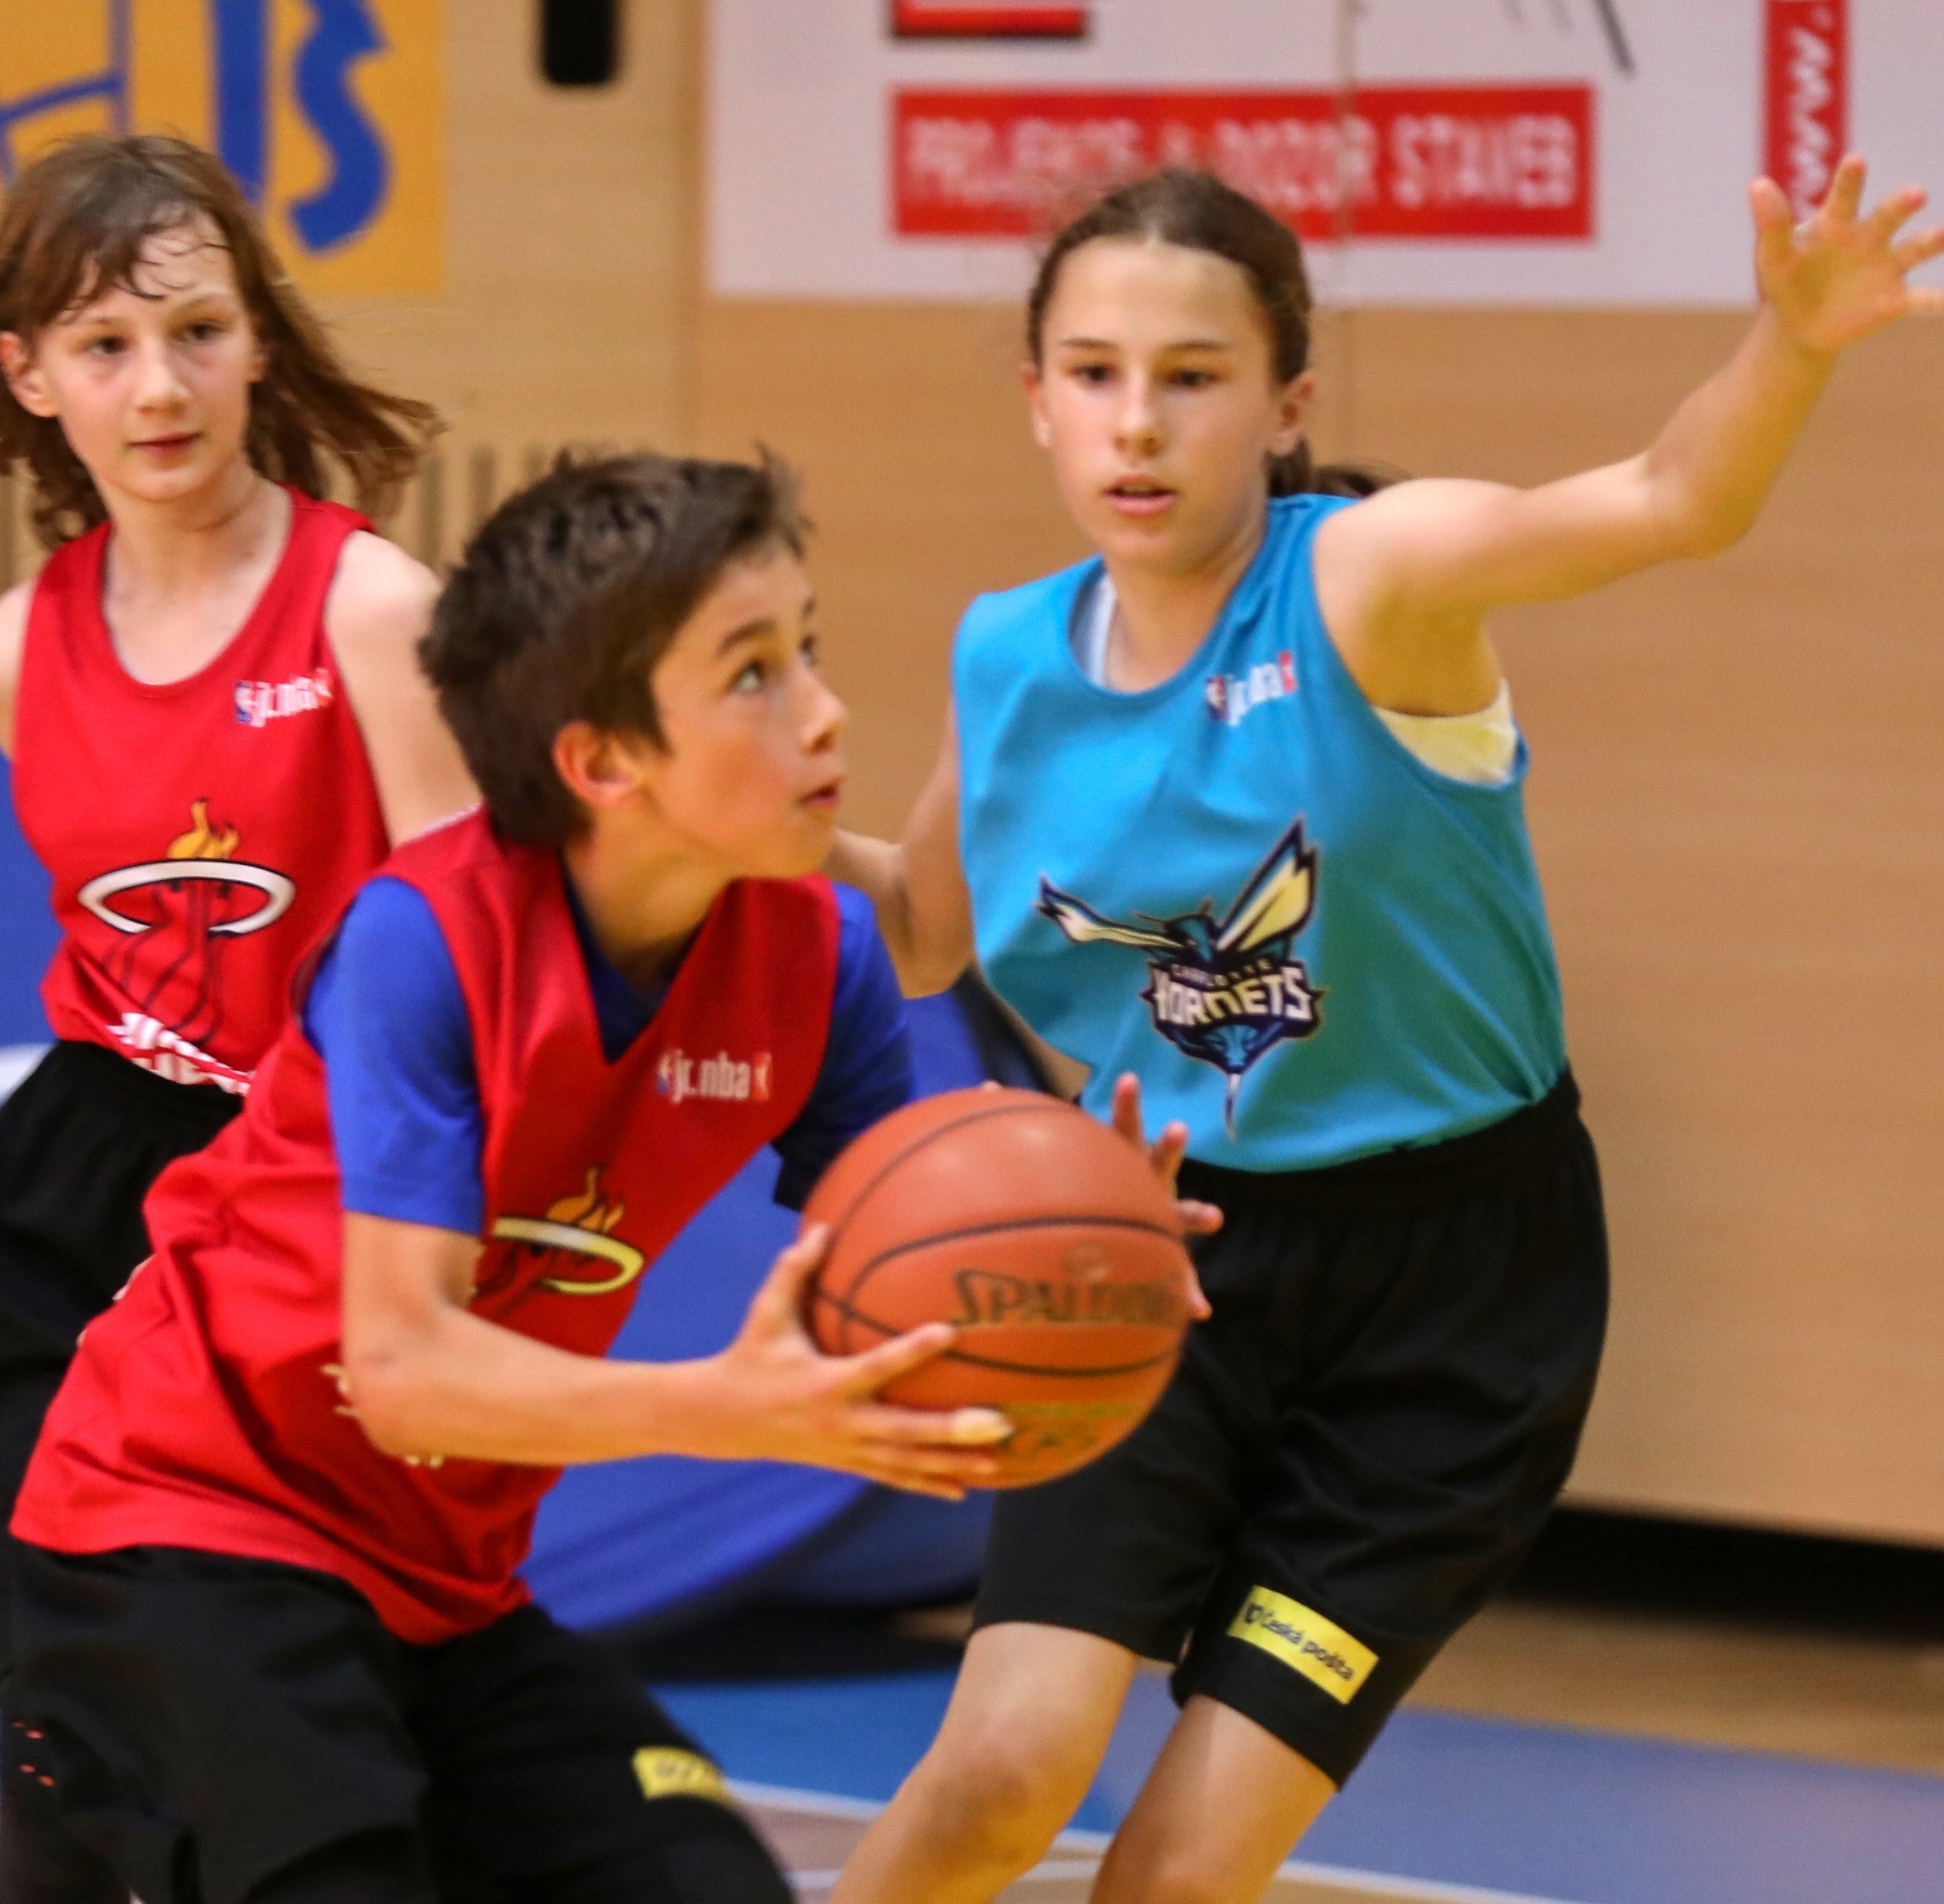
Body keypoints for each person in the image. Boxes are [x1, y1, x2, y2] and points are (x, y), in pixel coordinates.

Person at [827, 158, 1944, 1904]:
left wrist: (1791, 345)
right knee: (994, 1777)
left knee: (1178, 1875)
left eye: (1194, 375)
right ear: (1039, 398)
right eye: (1096, 372)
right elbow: (915, 924)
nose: (1139, 421)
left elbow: (1672, 498)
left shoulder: (1369, 578)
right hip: (1160, 1261)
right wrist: (693, 805)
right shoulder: (1011, 654)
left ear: (1287, 404)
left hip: (1451, 1310)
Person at [0, 451, 1211, 1904]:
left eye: (806, 647)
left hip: (442, 1590)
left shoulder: (819, 958)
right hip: (177, 1534)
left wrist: (1074, 1243)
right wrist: (728, 1407)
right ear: (604, 763)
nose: (824, 709)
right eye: (751, 674)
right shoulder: (423, 942)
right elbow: (403, 1372)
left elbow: (896, 1262)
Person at [0, 131, 476, 1885]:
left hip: (305, 1179)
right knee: (62, 1698)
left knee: (277, 1705)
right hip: (82, 1183)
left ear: (256, 342)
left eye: (197, 333)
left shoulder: (373, 609)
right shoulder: (14, 650)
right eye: (105, 346)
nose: (158, 388)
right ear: (31, 376)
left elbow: (476, 957)